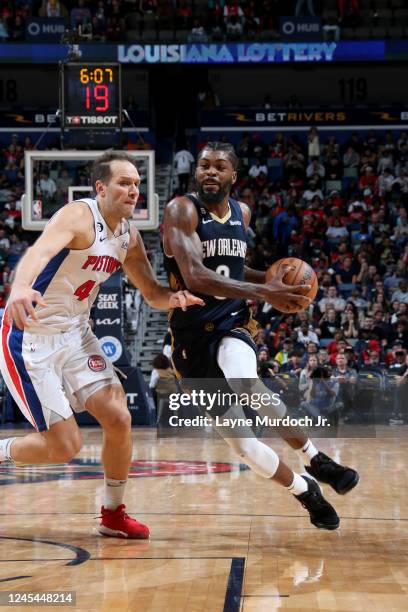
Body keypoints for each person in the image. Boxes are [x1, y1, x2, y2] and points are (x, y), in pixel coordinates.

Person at [0, 151, 203, 540]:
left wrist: (174, 300)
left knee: (119, 418)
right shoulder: (79, 215)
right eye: (124, 183)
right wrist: (22, 287)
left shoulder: (127, 236)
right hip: (31, 338)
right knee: (64, 447)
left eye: (137, 184)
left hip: (77, 335)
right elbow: (38, 252)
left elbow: (152, 292)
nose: (133, 190)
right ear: (101, 187)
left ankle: (113, 514)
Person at [163, 141, 359, 531]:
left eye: (220, 166)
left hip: (231, 320)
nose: (210, 172)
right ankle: (305, 490)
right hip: (189, 339)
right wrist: (264, 291)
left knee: (246, 381)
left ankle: (316, 458)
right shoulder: (181, 210)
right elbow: (195, 276)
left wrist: (271, 280)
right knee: (244, 446)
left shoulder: (243, 212)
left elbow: (234, 268)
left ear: (234, 176)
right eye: (204, 166)